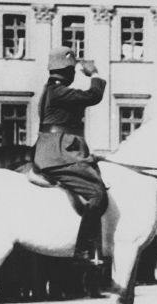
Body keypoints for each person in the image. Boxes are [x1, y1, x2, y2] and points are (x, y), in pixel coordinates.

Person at [33, 47, 107, 266]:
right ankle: (82, 250)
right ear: (67, 71)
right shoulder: (59, 92)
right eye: (72, 70)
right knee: (96, 194)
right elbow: (93, 96)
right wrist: (94, 74)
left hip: (61, 149)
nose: (75, 74)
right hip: (58, 153)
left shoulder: (51, 91)